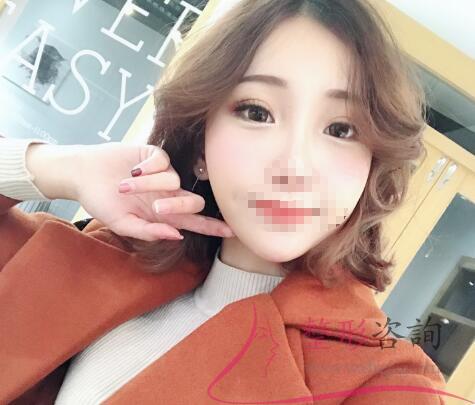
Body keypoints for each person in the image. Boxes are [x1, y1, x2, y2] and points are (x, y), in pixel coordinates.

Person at [0, 0, 449, 404]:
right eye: (257, 112)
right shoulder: (104, 259)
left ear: (372, 165)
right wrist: (59, 168)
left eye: (341, 129)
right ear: (200, 145)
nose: (294, 166)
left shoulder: (382, 383)